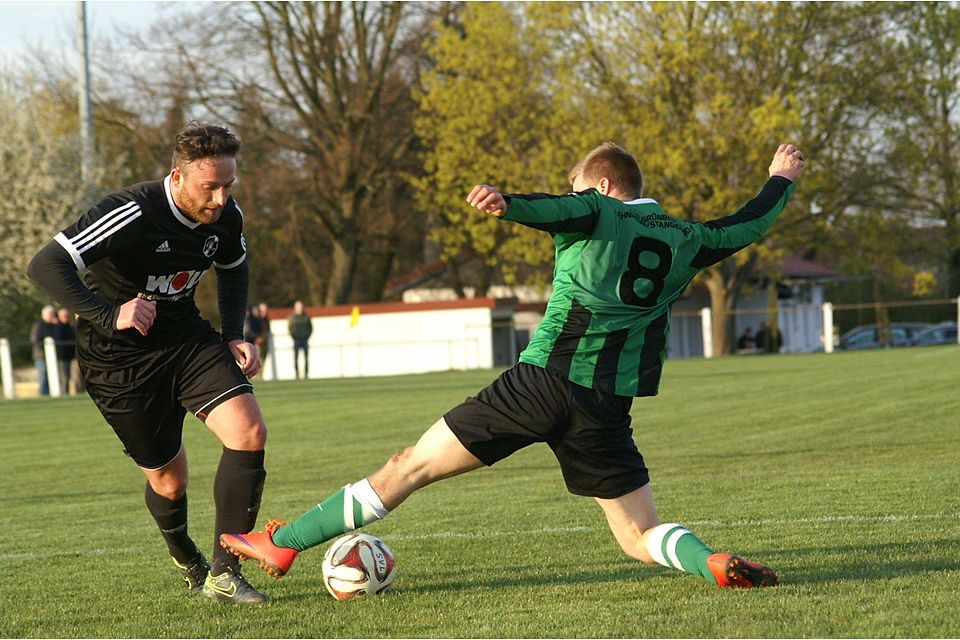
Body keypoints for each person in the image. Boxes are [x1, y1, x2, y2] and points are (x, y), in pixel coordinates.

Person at [222, 142, 804, 590]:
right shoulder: (690, 239)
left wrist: (507, 205)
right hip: (604, 407)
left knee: (411, 467)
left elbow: (553, 211)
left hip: (540, 384)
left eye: (577, 186)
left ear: (600, 185)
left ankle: (287, 541)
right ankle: (710, 562)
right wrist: (780, 179)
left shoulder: (595, 210)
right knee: (636, 535)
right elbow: (747, 224)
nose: (573, 194)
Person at [27, 122, 272, 604]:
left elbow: (234, 266)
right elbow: (45, 265)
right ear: (177, 177)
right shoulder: (130, 211)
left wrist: (234, 335)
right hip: (119, 363)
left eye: (228, 185)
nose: (221, 199)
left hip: (187, 340)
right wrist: (107, 313)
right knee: (169, 480)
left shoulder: (226, 216)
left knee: (249, 432)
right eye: (210, 187)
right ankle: (187, 557)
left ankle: (226, 573)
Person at [30, 305, 58, 396]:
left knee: (51, 376)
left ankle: (49, 394)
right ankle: (43, 395)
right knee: (43, 376)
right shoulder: (39, 325)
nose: (53, 316)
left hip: (52, 356)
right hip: (41, 356)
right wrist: (45, 350)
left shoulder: (53, 326)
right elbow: (35, 340)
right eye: (51, 315)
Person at [287, 300, 313, 379]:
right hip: (297, 340)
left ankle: (306, 374)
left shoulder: (306, 317)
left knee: (306, 358)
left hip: (305, 340)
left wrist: (306, 336)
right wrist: (294, 337)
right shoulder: (292, 317)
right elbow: (290, 329)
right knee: (296, 358)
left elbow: (310, 328)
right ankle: (297, 374)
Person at [54, 307, 77, 394]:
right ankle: (64, 393)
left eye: (67, 316)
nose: (66, 317)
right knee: (65, 376)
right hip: (62, 356)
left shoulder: (71, 326)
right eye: (64, 316)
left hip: (72, 354)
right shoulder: (57, 328)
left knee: (75, 376)